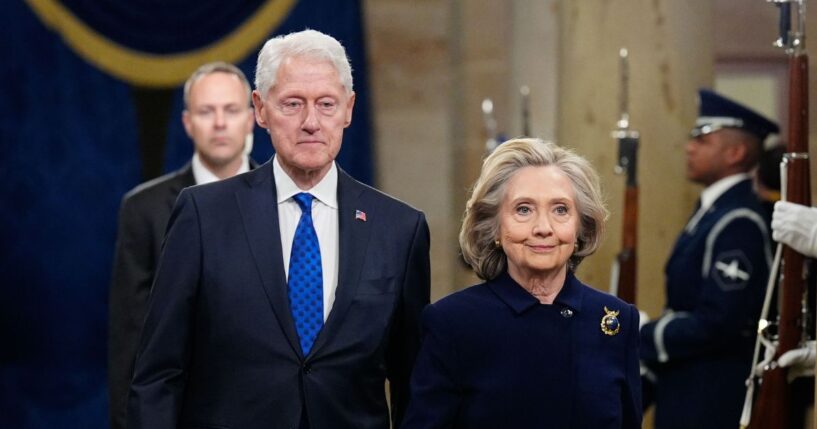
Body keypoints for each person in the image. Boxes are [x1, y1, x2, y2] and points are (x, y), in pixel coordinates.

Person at [126, 29, 430, 429]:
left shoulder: (400, 229)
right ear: (260, 109)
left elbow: (415, 386)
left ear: (349, 109)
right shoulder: (203, 216)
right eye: (292, 104)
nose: (310, 122)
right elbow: (158, 374)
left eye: (326, 104)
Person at [402, 138, 642, 428]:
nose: (543, 228)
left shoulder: (615, 321)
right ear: (494, 228)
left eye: (561, 210)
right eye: (524, 210)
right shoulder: (452, 323)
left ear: (580, 226)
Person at [107, 61, 257, 429]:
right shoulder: (144, 209)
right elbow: (130, 338)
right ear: (188, 122)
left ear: (253, 118)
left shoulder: (284, 200)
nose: (220, 123)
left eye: (231, 110)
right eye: (207, 111)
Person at [640, 89, 777, 429]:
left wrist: (648, 333)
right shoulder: (715, 212)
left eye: (703, 140)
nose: (690, 147)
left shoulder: (739, 221)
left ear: (735, 152)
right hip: (687, 389)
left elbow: (719, 322)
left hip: (710, 397)